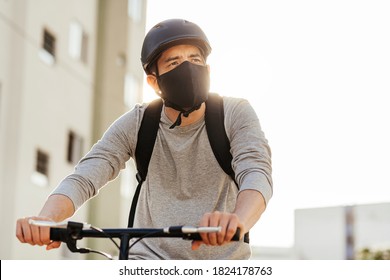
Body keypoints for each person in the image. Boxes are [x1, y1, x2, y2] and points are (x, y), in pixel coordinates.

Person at [16, 19, 272, 259]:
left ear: (207, 70)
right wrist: (46, 220)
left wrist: (238, 220)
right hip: (146, 260)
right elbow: (86, 176)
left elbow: (256, 171)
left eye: (195, 59)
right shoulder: (138, 123)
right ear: (153, 81)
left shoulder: (235, 113)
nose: (188, 69)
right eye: (174, 63)